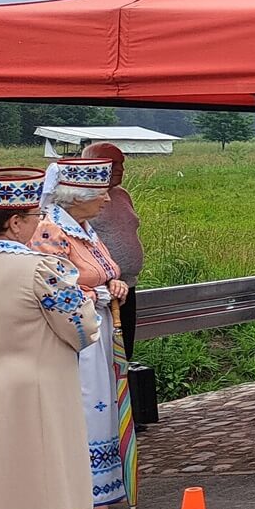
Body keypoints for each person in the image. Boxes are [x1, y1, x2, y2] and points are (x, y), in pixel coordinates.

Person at [0, 167, 105, 509]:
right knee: (45, 484)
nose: (42, 221)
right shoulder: (42, 268)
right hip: (38, 392)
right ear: (15, 224)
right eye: (35, 214)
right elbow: (83, 328)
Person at [32, 157, 129, 509]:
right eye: (101, 193)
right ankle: (83, 494)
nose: (107, 200)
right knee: (86, 403)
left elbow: (102, 272)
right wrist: (100, 293)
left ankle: (102, 490)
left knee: (101, 402)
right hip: (75, 336)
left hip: (98, 326)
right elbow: (55, 285)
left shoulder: (84, 228)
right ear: (77, 196)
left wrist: (112, 284)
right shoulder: (49, 231)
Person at [81, 143, 144, 358]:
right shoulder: (79, 200)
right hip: (99, 293)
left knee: (124, 353)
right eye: (114, 164)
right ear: (91, 164)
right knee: (103, 357)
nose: (121, 170)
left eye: (122, 164)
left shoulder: (122, 195)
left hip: (127, 287)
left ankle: (121, 392)